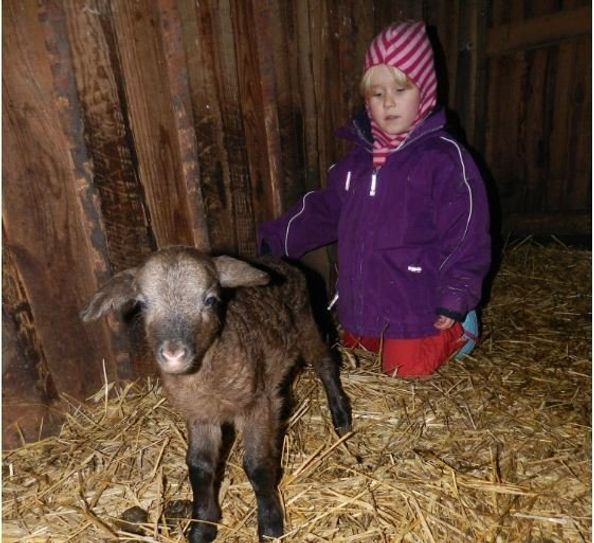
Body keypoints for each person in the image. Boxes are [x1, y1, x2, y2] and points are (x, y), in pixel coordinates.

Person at [258, 21, 491, 378]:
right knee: (354, 359)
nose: (388, 103)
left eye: (401, 89)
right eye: (376, 93)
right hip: (362, 302)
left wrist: (456, 294)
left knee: (402, 371)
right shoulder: (356, 163)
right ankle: (374, 328)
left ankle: (461, 332)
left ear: (425, 89)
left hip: (419, 303)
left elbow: (466, 235)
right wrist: (277, 239)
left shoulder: (443, 160)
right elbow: (323, 209)